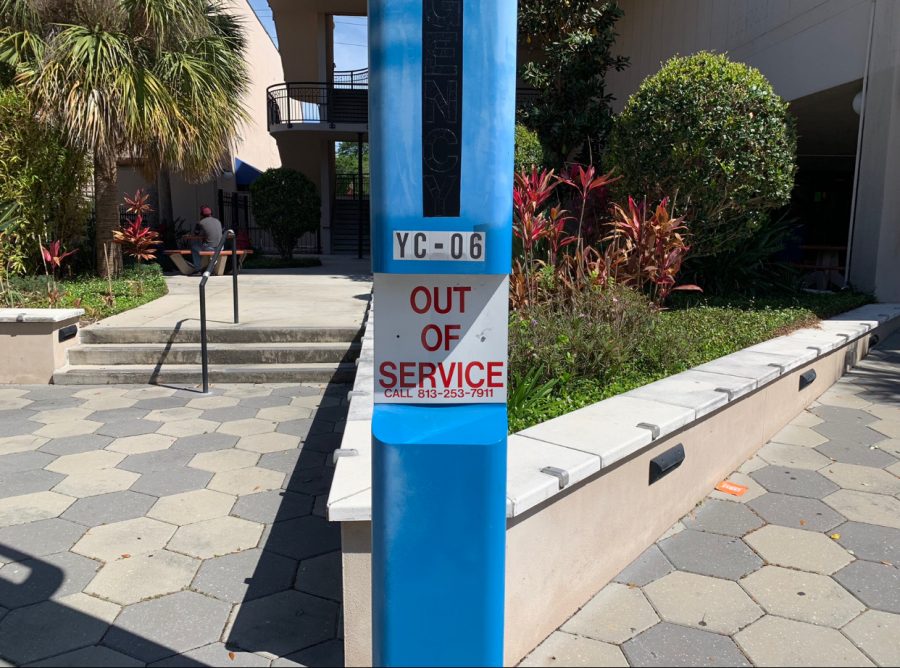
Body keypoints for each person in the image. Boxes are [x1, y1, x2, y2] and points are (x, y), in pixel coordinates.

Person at [190, 206, 223, 273]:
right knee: (204, 245)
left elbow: (196, 234)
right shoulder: (218, 221)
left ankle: (198, 268)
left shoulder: (200, 222)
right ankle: (207, 265)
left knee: (194, 247)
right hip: (221, 247)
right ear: (211, 214)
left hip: (210, 248)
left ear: (201, 215)